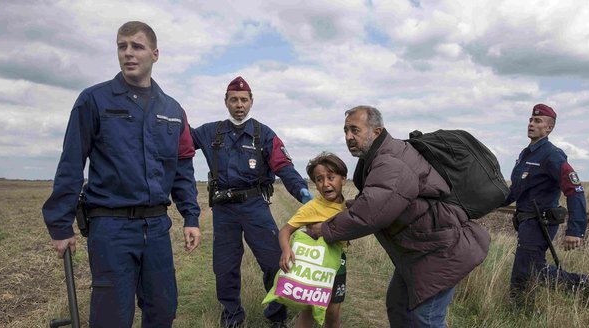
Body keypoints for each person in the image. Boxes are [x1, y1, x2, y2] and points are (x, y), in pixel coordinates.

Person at [41, 21, 201, 328]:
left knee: (163, 310)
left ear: (155, 54)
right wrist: (60, 225)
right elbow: (71, 163)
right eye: (121, 46)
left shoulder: (173, 109)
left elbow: (182, 167)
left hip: (156, 227)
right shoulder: (94, 100)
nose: (128, 53)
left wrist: (191, 217)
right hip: (110, 227)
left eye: (137, 46)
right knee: (112, 317)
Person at [308, 105, 490, 328]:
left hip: (439, 252)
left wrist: (325, 229)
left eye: (355, 130)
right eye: (345, 131)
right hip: (420, 251)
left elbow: (372, 212)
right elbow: (386, 199)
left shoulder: (390, 161)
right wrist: (349, 208)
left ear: (376, 131)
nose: (348, 137)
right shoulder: (381, 157)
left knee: (426, 320)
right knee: (399, 308)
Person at [191, 76, 312, 328]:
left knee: (274, 261)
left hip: (255, 205)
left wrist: (301, 190)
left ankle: (276, 314)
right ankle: (232, 315)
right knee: (225, 266)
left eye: (244, 100)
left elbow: (283, 166)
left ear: (251, 102)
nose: (239, 104)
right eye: (233, 99)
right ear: (225, 102)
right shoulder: (209, 132)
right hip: (224, 209)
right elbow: (180, 143)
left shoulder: (263, 134)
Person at [503, 104, 589, 301]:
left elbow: (575, 190)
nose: (531, 124)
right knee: (529, 269)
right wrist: (482, 205)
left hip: (540, 221)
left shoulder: (552, 155)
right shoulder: (526, 154)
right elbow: (515, 190)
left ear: (549, 128)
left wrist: (575, 230)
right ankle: (521, 308)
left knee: (530, 269)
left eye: (537, 121)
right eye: (531, 120)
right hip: (525, 222)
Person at [279, 152, 349, 328]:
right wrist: (287, 250)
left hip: (338, 267)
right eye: (319, 179)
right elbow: (285, 231)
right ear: (315, 185)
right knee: (309, 311)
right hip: (314, 267)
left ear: (344, 179)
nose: (326, 184)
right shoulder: (311, 208)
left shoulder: (348, 207)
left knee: (333, 314)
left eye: (331, 177)